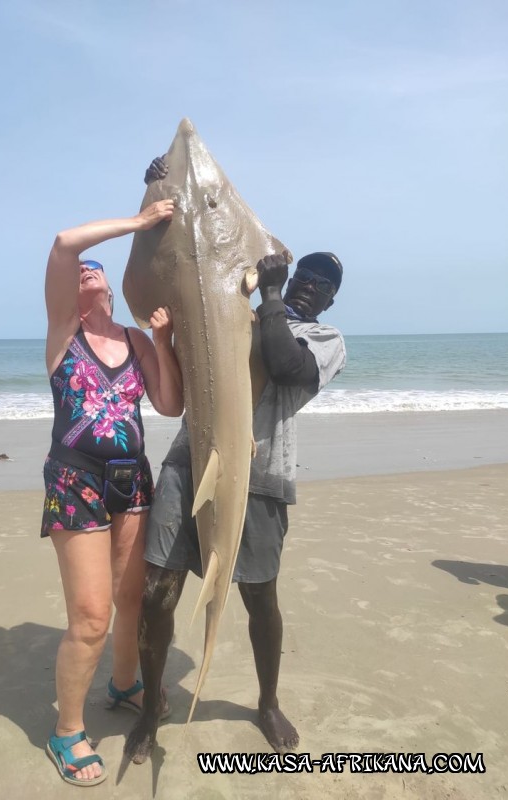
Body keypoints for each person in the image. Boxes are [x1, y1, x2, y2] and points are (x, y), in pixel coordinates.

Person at [124, 158, 346, 764]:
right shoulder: (239, 307)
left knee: (259, 598)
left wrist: (273, 293)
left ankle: (267, 699)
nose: (309, 284)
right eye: (304, 275)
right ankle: (150, 712)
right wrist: (157, 197)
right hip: (186, 462)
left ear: (330, 299)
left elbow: (283, 364)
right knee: (156, 594)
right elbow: (187, 277)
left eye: (321, 283)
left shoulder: (324, 341)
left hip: (263, 478)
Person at [41, 201, 184, 786]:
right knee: (91, 616)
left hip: (132, 480)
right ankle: (66, 732)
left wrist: (164, 339)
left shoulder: (133, 337)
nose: (87, 269)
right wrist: (140, 222)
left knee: (133, 602)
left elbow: (170, 405)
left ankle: (124, 684)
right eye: (81, 272)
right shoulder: (62, 333)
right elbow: (64, 242)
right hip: (75, 479)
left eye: (95, 268)